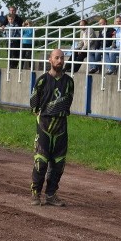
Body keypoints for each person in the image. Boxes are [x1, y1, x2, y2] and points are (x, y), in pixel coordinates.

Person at [29, 48, 74, 206]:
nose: (60, 61)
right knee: (41, 162)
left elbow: (68, 102)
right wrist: (39, 115)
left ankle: (51, 195)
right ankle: (35, 193)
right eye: (57, 58)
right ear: (50, 60)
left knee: (59, 164)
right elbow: (34, 102)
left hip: (61, 127)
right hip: (44, 126)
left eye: (62, 58)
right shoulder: (42, 80)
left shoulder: (69, 82)